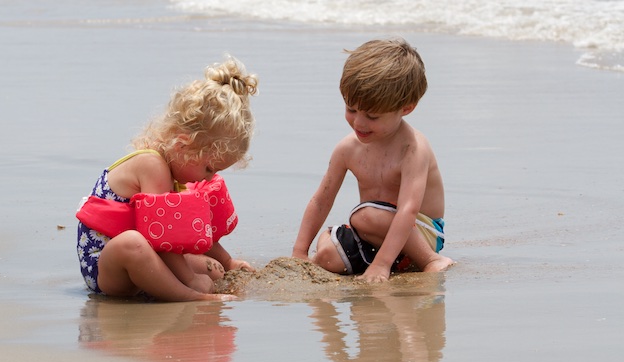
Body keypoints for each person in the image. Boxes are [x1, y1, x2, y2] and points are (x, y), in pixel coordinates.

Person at [76, 56, 257, 302]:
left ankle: (182, 284)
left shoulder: (173, 172)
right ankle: (189, 296)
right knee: (133, 243)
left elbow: (186, 230)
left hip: (144, 262)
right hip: (108, 267)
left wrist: (228, 261)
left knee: (212, 267)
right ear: (184, 146)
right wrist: (191, 282)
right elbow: (161, 238)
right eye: (208, 168)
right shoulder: (153, 166)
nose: (210, 177)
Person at [292, 38, 454, 282]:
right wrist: (299, 252)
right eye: (351, 109)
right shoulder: (347, 149)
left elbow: (408, 210)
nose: (358, 123)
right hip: (372, 235)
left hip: (421, 234)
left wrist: (381, 265)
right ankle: (374, 257)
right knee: (326, 256)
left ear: (406, 108)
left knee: (364, 216)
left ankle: (431, 261)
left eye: (372, 116)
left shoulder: (413, 150)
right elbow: (321, 200)